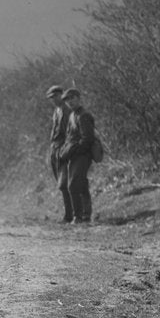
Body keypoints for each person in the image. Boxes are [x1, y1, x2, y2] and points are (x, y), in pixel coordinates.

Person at [58, 87, 96, 224]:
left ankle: (79, 217)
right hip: (74, 155)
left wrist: (75, 150)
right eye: (67, 100)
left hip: (83, 155)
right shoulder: (73, 115)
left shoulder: (84, 115)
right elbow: (69, 136)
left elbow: (87, 139)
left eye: (72, 98)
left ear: (78, 98)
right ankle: (85, 216)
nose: (70, 102)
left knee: (73, 185)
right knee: (81, 184)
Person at [45, 85, 73, 222]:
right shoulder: (57, 111)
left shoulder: (67, 110)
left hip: (64, 149)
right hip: (55, 148)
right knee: (61, 184)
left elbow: (70, 132)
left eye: (55, 96)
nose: (54, 100)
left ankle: (72, 214)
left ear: (61, 95)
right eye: (52, 98)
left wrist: (66, 149)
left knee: (65, 183)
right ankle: (69, 214)